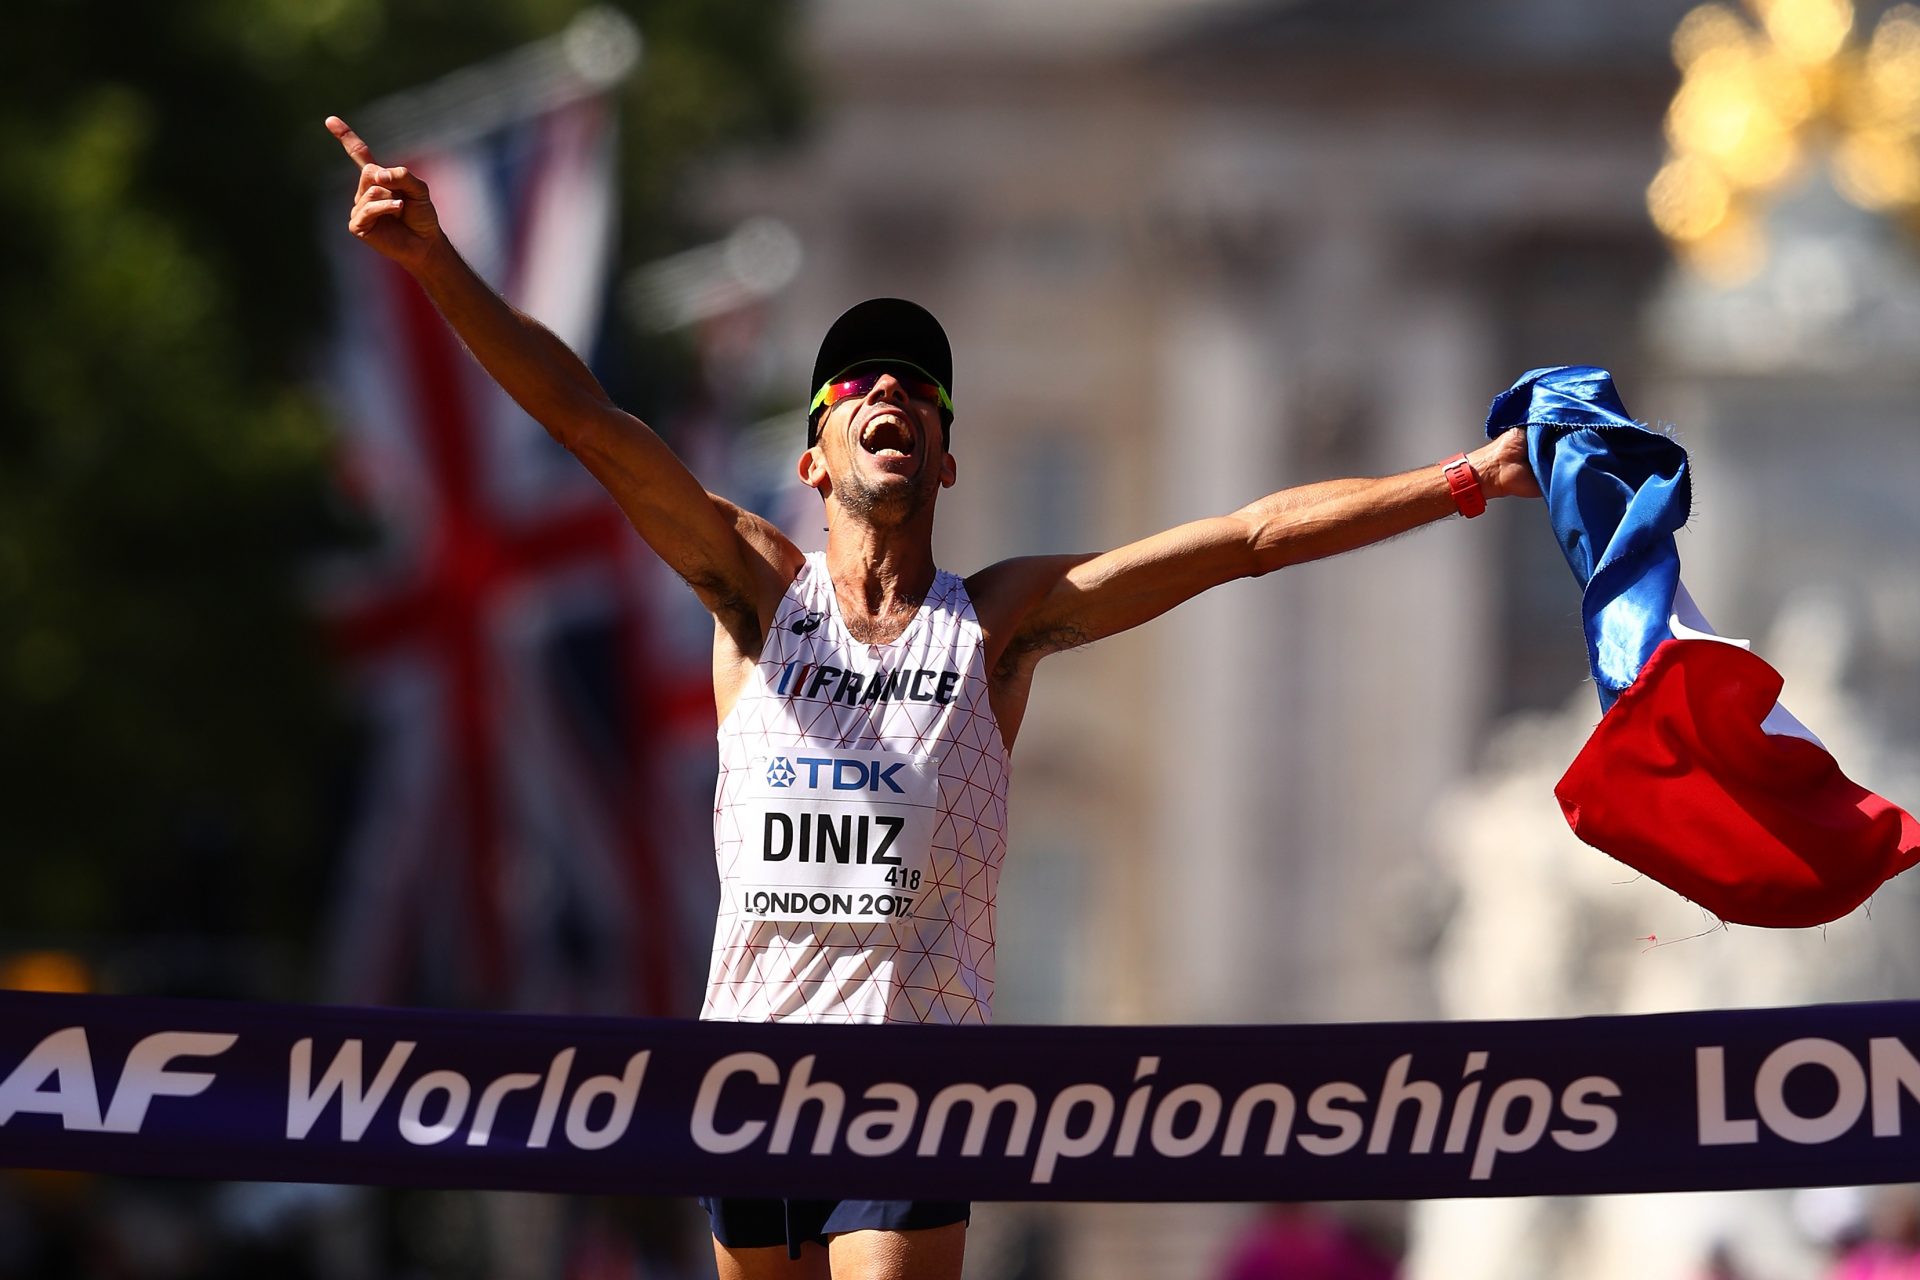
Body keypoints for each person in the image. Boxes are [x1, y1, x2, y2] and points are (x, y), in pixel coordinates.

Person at [326, 115, 1540, 1280]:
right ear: (815, 452)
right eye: (860, 382)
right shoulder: (754, 587)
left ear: (946, 456)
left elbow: (1249, 535)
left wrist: (1464, 478)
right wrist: (438, 263)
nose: (893, 391)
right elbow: (587, 423)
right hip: (749, 1066)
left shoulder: (1001, 620)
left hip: (912, 1076)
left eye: (920, 386)